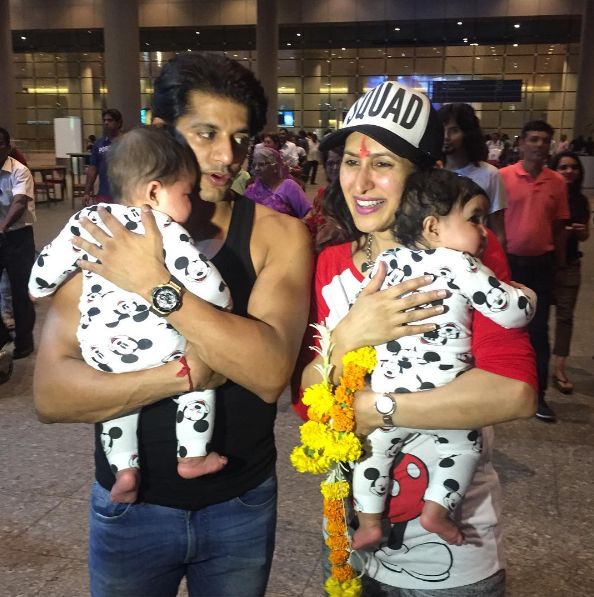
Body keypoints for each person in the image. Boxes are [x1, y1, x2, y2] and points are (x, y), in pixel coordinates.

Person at [33, 51, 312, 597]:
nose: (227, 156)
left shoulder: (277, 235)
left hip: (239, 503)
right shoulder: (105, 232)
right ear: (162, 131)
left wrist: (154, 283)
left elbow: (268, 372)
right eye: (206, 133)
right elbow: (52, 394)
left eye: (240, 138)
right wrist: (182, 376)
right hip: (129, 506)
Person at [294, 80, 537, 595]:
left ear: (424, 177)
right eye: (351, 162)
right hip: (353, 540)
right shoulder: (330, 264)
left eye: (383, 164)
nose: (361, 182)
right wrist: (350, 333)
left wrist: (374, 409)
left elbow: (513, 392)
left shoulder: (466, 253)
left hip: (451, 558)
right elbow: (309, 399)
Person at [29, 125, 232, 504]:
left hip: (102, 350)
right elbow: (205, 281)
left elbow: (49, 262)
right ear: (155, 192)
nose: (191, 204)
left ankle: (124, 468)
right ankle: (192, 454)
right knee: (199, 387)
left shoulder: (89, 218)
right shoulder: (164, 227)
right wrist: (223, 303)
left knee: (116, 406)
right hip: (161, 345)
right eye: (186, 194)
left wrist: (37, 288)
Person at [351, 168, 535, 551]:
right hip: (444, 393)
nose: (484, 231)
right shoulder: (461, 264)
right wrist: (526, 296)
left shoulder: (388, 260)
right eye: (475, 219)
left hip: (388, 387)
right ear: (433, 228)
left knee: (374, 451)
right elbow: (510, 312)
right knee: (464, 448)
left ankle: (368, 522)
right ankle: (436, 511)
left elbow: (361, 306)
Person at [500, 120, 569, 423]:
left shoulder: (557, 182)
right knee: (505, 329)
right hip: (508, 265)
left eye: (544, 140)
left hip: (541, 266)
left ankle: (538, 396)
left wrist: (560, 266)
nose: (539, 145)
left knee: (539, 332)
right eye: (533, 139)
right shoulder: (503, 177)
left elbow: (559, 227)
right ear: (521, 143)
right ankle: (502, 391)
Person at [438, 103, 508, 248]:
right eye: (441, 130)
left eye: (454, 130)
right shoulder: (431, 172)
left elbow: (498, 231)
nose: (446, 137)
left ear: (468, 134)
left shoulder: (489, 174)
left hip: (478, 254)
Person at [549, 151, 591, 394]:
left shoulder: (580, 200)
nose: (569, 171)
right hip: (544, 263)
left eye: (573, 167)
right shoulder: (548, 193)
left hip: (570, 264)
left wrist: (580, 231)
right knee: (536, 317)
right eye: (563, 167)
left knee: (565, 318)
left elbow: (586, 235)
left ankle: (559, 367)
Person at [0, 127, 36, 361]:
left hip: (18, 237)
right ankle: (3, 336)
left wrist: (2, 228)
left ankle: (24, 343)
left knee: (20, 292)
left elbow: (19, 202)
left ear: (7, 147)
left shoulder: (19, 171)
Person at [245, 146, 311, 218]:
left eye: (261, 164)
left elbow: (308, 213)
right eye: (254, 165)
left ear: (275, 166)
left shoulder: (289, 186)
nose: (256, 168)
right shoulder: (252, 189)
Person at [83, 108, 123, 206]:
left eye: (110, 120)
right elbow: (93, 169)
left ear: (118, 123)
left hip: (124, 194)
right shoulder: (98, 144)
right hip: (104, 194)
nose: (106, 123)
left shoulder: (127, 142)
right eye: (104, 120)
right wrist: (87, 192)